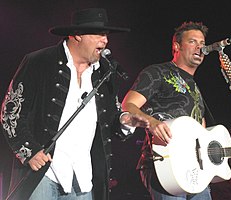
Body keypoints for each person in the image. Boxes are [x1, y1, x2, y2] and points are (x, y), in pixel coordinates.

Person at [0, 8, 149, 200]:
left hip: (82, 178)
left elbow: (111, 121)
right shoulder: (39, 62)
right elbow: (10, 113)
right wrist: (29, 151)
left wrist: (126, 120)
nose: (105, 40)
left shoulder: (105, 71)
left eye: (106, 35)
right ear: (77, 35)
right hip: (43, 175)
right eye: (99, 34)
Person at [121, 21, 231, 200]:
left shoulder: (196, 89)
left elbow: (204, 140)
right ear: (176, 46)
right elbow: (128, 105)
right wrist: (152, 122)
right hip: (165, 164)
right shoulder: (157, 72)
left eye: (202, 43)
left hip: (196, 172)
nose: (200, 47)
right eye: (193, 41)